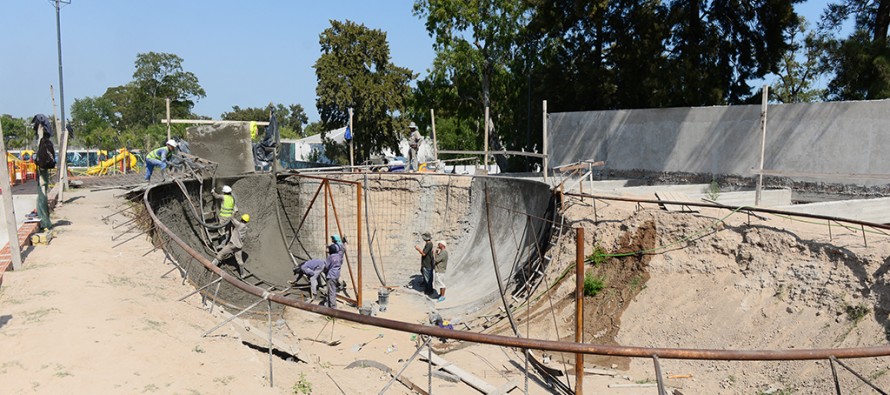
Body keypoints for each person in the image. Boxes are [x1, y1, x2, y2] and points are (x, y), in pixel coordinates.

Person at [211, 213, 250, 278]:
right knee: (240, 261)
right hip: (238, 247)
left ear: (242, 219)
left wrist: (232, 213)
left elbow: (232, 219)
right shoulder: (245, 228)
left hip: (232, 245)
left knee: (220, 254)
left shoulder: (239, 225)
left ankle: (211, 266)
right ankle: (242, 274)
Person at [325, 234, 346, 308]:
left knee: (331, 291)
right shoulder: (338, 255)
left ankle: (333, 307)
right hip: (336, 271)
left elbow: (326, 266)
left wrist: (325, 270)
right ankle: (329, 304)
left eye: (333, 239)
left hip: (331, 274)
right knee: (332, 289)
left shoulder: (332, 256)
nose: (332, 240)